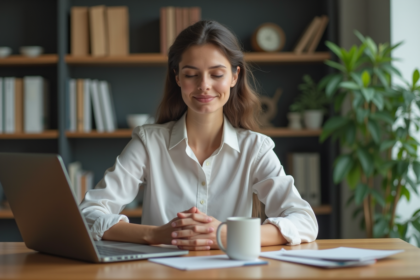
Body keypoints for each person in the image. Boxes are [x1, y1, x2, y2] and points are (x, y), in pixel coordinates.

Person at [80, 20, 318, 251]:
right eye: (191, 74)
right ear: (178, 78)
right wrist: (156, 234)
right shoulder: (148, 142)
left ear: (235, 76)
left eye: (216, 74)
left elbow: (304, 221)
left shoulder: (255, 148)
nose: (204, 85)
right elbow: (88, 214)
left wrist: (226, 234)